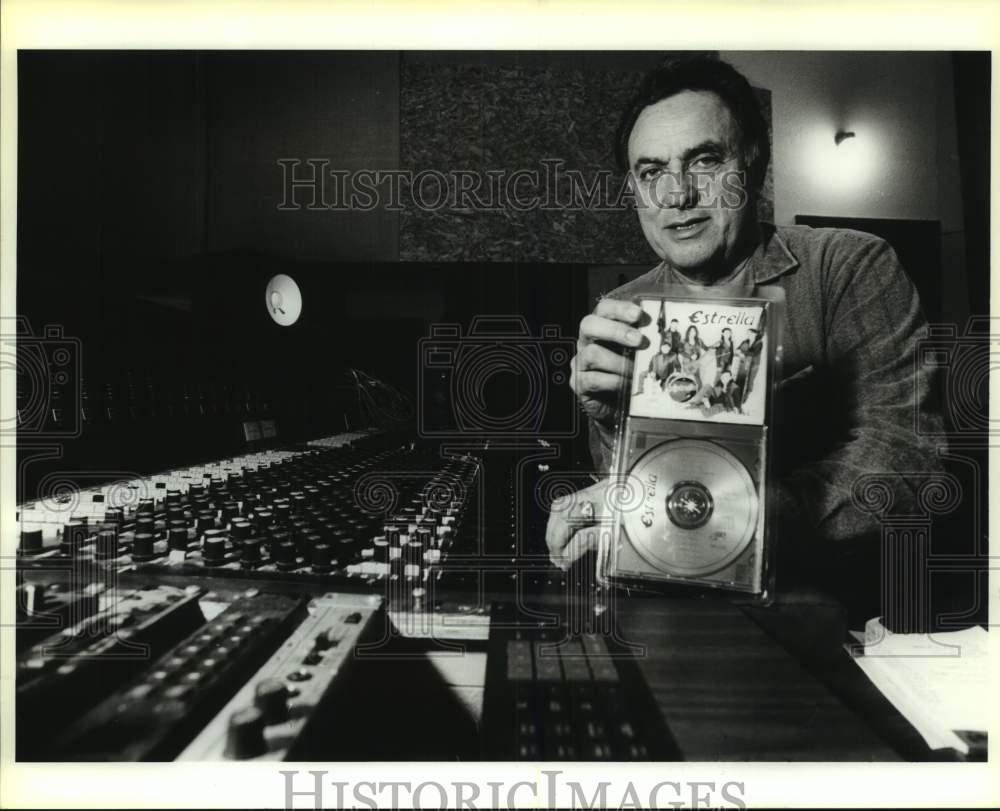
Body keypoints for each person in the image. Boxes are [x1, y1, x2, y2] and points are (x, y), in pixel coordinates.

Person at [548, 56, 944, 576]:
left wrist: (731, 509)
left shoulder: (846, 265)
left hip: (837, 603)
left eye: (706, 161)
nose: (678, 193)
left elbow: (907, 462)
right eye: (651, 172)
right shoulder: (624, 306)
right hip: (679, 597)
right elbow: (629, 500)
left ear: (754, 166)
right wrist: (608, 421)